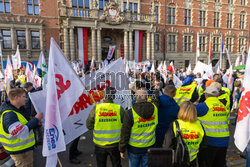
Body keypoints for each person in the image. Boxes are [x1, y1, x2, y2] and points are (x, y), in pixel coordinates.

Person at [0, 88, 43, 167]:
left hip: (22, 150)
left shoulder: (16, 110)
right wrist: (36, 119)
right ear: (16, 97)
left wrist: (35, 124)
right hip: (20, 152)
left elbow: (22, 125)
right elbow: (21, 132)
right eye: (23, 96)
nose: (25, 99)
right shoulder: (10, 115)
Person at [86, 87, 125, 167]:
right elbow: (125, 124)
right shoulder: (119, 109)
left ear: (103, 96)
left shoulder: (96, 108)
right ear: (113, 97)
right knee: (116, 165)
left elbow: (89, 125)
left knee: (101, 165)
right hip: (115, 145)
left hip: (100, 145)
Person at [119, 88, 158, 167]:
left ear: (135, 98)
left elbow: (125, 133)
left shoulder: (130, 112)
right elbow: (156, 100)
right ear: (147, 97)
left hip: (134, 148)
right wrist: (156, 90)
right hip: (149, 146)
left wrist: (122, 149)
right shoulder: (155, 108)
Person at [163, 101, 205, 167]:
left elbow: (167, 145)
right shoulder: (199, 124)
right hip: (192, 160)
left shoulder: (175, 124)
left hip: (178, 160)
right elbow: (204, 145)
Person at [195, 86, 229, 167]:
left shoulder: (203, 106)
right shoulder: (222, 106)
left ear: (206, 95)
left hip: (210, 141)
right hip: (224, 141)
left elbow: (187, 110)